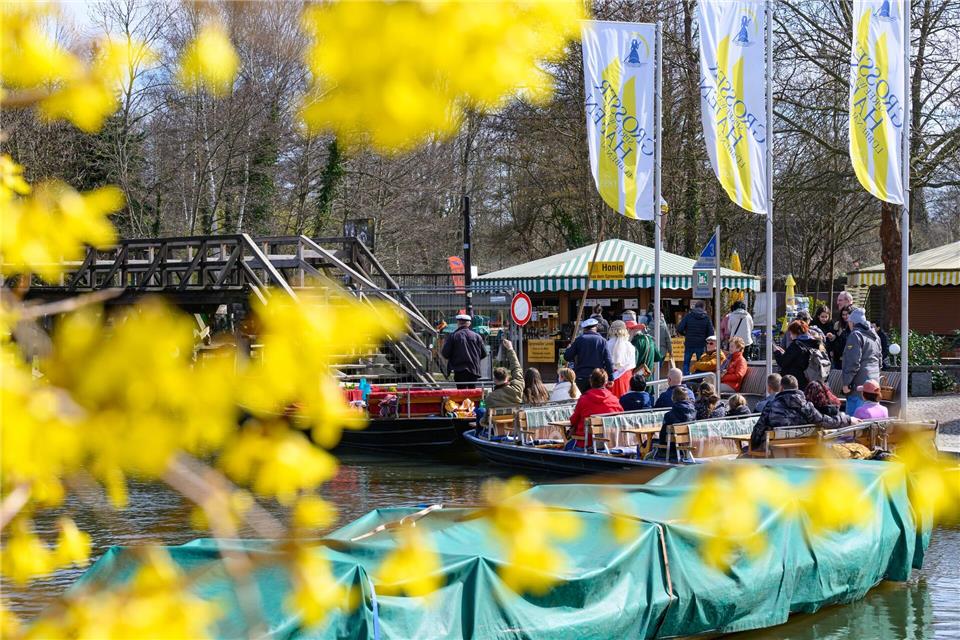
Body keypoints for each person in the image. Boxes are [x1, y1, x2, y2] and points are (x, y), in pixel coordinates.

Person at [750, 375, 858, 450]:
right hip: (801, 446)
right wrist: (847, 419)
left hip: (775, 447)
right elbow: (824, 420)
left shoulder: (771, 405)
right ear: (797, 388)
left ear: (781, 388)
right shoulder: (806, 406)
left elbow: (759, 428)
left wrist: (753, 445)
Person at [566, 368, 623, 451]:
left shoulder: (583, 399)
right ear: (605, 382)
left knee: (565, 447)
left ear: (591, 381)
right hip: (610, 443)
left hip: (585, 443)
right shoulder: (614, 400)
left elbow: (573, 420)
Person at [841, 308, 882, 417]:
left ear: (852, 322)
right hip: (874, 383)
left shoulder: (855, 335)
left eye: (849, 322)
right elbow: (880, 360)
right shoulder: (875, 336)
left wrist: (846, 383)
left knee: (854, 422)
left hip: (858, 386)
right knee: (871, 419)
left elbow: (853, 362)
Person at [563, 318, 614, 393]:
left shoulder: (579, 340)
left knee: (583, 400)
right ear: (596, 327)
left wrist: (568, 349)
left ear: (584, 329)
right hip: (597, 377)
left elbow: (567, 357)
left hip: (581, 376)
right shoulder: (602, 341)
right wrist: (611, 378)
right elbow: (608, 361)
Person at [774, 320, 828, 389]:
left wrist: (777, 352)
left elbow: (783, 362)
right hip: (813, 380)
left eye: (791, 333)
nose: (790, 336)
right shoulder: (816, 343)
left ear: (796, 333)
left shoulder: (796, 345)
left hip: (796, 382)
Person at [649, 386, 697, 460]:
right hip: (689, 447)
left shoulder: (669, 415)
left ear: (673, 398)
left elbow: (663, 436)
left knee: (648, 444)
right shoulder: (694, 413)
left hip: (672, 451)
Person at [441, 313, 487, 388]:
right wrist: (474, 359)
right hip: (474, 370)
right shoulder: (477, 336)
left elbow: (445, 353)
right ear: (469, 323)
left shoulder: (453, 336)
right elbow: (484, 353)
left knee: (462, 394)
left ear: (458, 323)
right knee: (473, 393)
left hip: (459, 370)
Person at [483, 339, 524, 409]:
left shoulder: (490, 398)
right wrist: (510, 349)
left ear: (495, 379)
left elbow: (486, 415)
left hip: (497, 420)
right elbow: (517, 369)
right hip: (515, 419)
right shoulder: (517, 388)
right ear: (507, 378)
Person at [677, 301, 714, 374]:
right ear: (703, 308)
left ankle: (686, 378)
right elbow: (711, 333)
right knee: (701, 363)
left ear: (695, 307)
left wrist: (686, 334)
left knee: (686, 363)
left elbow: (679, 329)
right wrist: (705, 339)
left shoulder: (688, 316)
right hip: (701, 344)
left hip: (689, 343)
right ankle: (698, 379)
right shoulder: (706, 318)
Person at [606, 320, 637, 397]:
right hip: (626, 376)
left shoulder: (606, 344)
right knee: (625, 400)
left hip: (609, 376)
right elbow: (632, 365)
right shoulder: (630, 346)